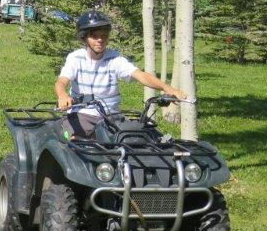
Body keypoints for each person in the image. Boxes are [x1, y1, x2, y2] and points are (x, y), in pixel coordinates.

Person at [54, 10, 186, 139]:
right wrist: (63, 95)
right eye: (94, 36)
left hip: (111, 116)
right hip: (82, 114)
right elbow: (61, 81)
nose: (100, 40)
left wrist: (166, 88)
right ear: (84, 38)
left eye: (104, 36)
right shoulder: (76, 58)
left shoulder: (114, 58)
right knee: (76, 142)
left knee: (135, 140)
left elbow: (140, 75)